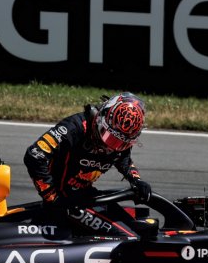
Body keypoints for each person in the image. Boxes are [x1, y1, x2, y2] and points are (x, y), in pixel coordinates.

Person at [24, 93, 153, 238]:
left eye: (119, 143)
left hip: (87, 196)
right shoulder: (73, 128)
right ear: (101, 118)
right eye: (109, 137)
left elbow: (123, 158)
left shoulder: (120, 142)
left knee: (140, 227)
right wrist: (53, 198)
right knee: (127, 237)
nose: (110, 147)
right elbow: (35, 155)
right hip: (65, 202)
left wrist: (136, 179)